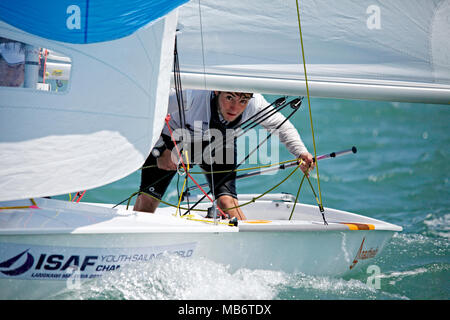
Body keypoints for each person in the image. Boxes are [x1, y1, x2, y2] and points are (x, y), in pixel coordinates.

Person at [134, 89, 315, 220]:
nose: (235, 107)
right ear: (216, 91)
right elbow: (147, 112)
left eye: (243, 101)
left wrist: (301, 152)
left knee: (227, 202)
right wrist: (159, 151)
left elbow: (281, 126)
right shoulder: (191, 96)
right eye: (230, 97)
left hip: (219, 144)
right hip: (170, 139)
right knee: (148, 201)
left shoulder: (255, 103)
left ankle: (248, 245)